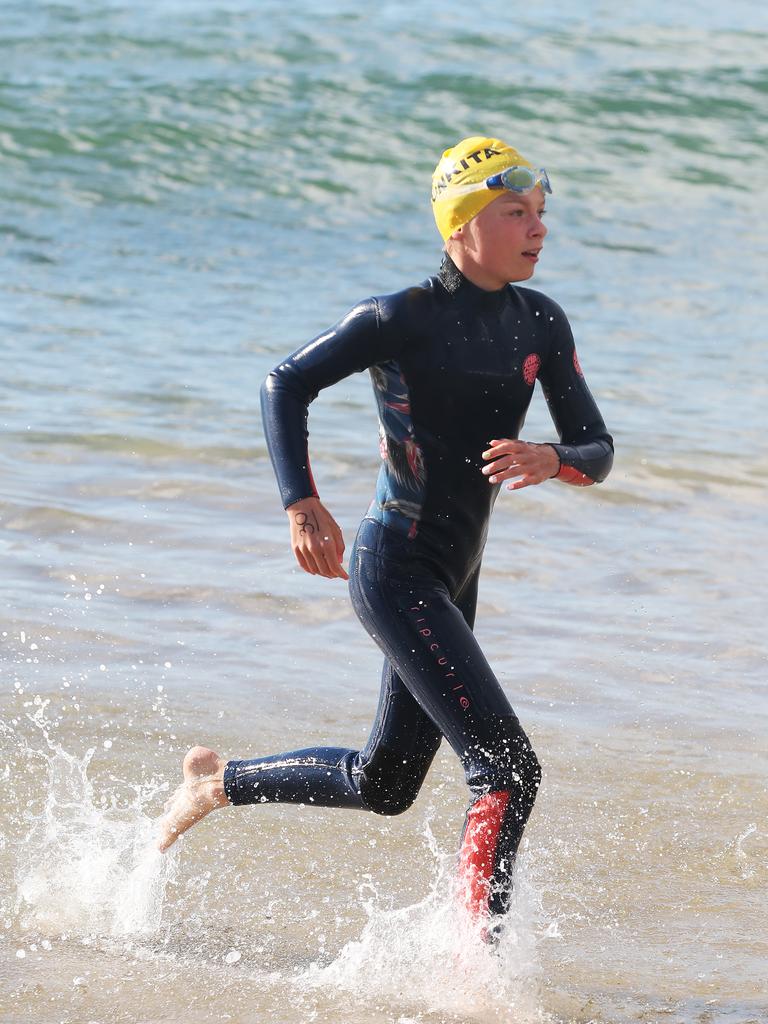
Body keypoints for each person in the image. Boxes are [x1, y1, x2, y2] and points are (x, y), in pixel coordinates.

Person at [157, 135, 614, 932]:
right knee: (506, 771)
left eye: (541, 213)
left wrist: (551, 457)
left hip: (454, 576)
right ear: (462, 224)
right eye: (517, 213)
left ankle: (217, 783)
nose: (538, 229)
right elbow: (285, 383)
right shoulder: (399, 318)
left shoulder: (540, 321)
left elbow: (597, 451)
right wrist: (302, 504)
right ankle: (475, 969)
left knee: (386, 783)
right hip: (395, 564)